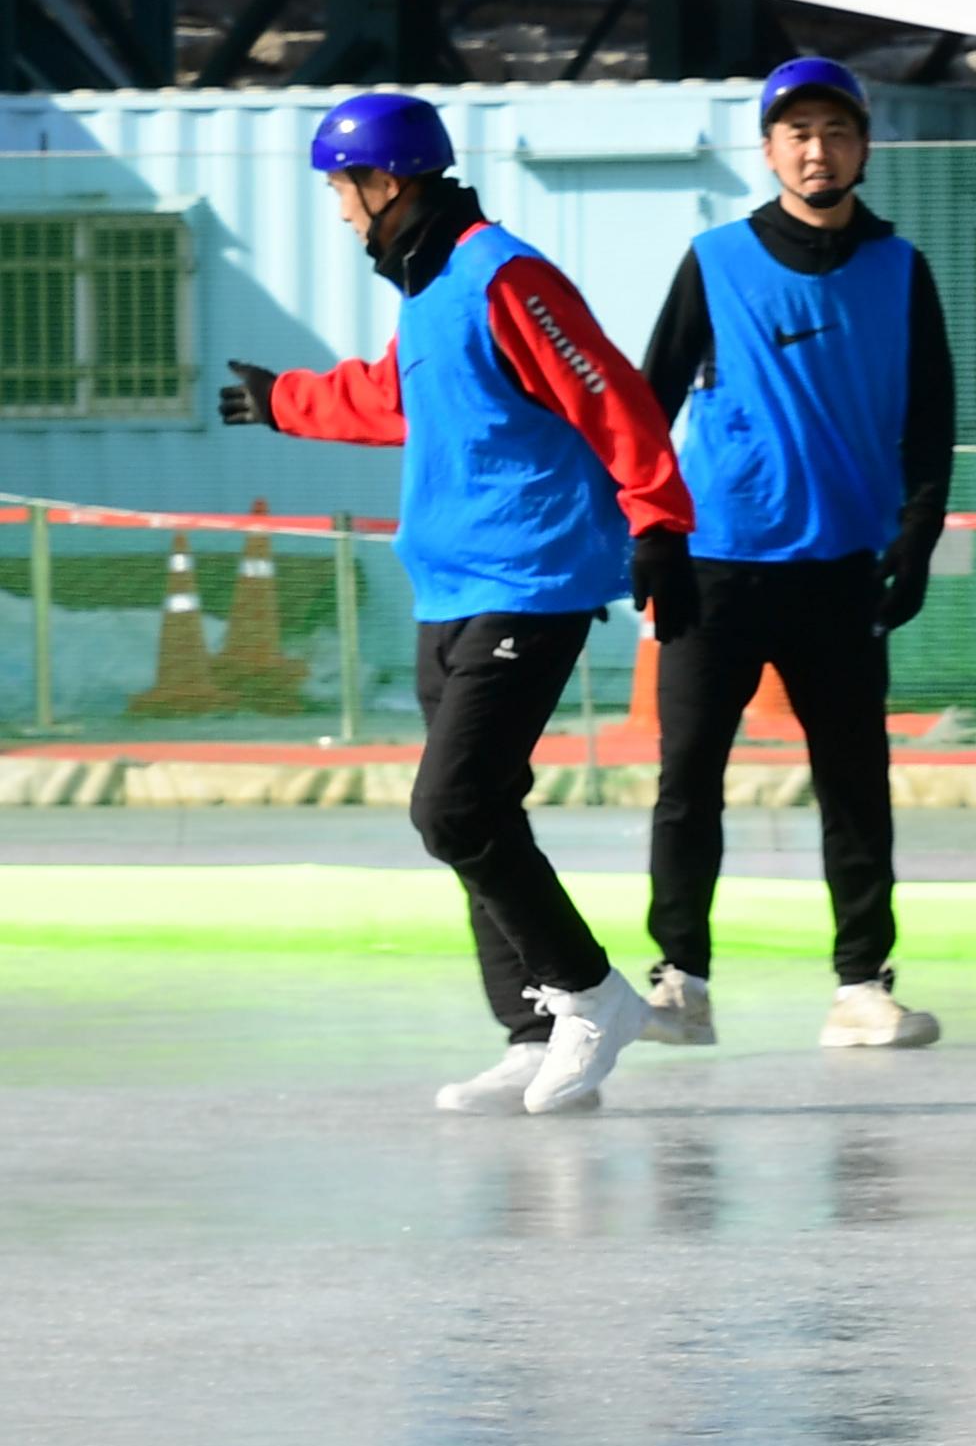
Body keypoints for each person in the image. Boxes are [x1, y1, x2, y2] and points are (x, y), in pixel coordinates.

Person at [219, 92, 695, 1115]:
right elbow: (397, 399)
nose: (340, 211)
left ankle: (589, 994)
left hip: (532, 577)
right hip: (452, 583)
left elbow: (611, 393)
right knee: (481, 810)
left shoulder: (500, 272)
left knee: (455, 805)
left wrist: (658, 521)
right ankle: (532, 1027)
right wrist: (283, 400)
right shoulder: (429, 287)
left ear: (386, 183)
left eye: (343, 190)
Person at [634, 57, 953, 1052]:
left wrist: (918, 531)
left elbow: (933, 418)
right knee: (688, 779)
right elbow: (646, 402)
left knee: (856, 783)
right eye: (797, 132)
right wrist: (650, 533)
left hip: (842, 568)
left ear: (863, 146)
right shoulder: (716, 257)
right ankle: (680, 978)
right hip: (717, 564)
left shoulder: (901, 268)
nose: (818, 150)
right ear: (769, 149)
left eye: (837, 130)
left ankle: (863, 984)